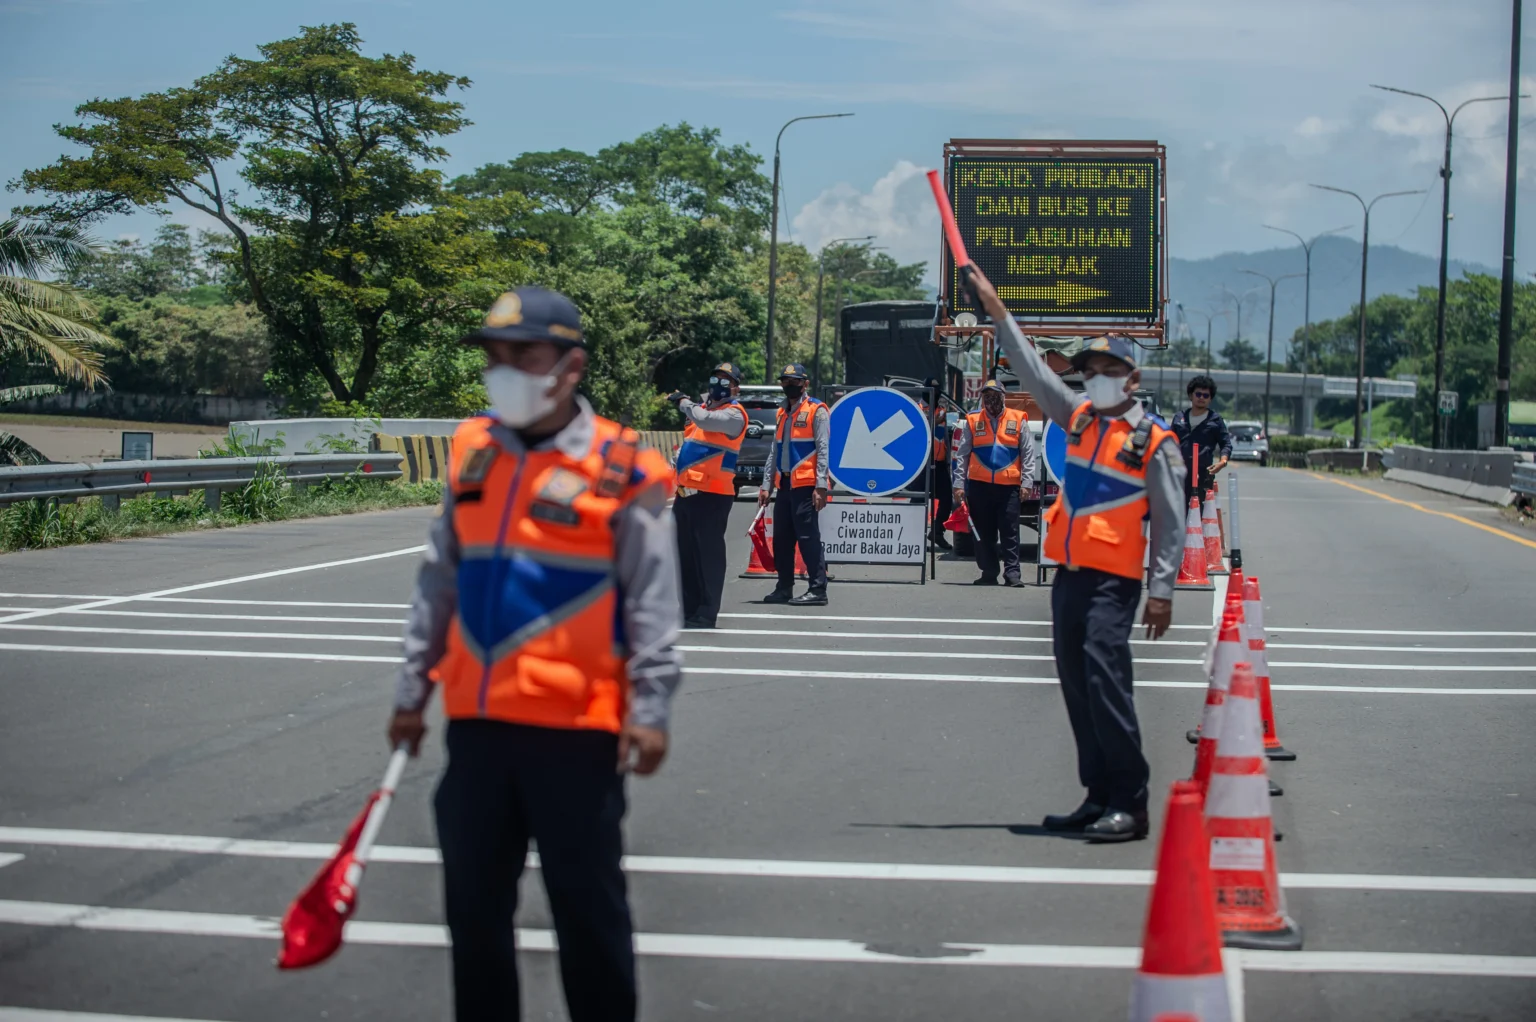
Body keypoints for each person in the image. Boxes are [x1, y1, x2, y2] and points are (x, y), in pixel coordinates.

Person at [387, 287, 682, 1022]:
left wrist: (650, 708)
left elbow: (651, 598)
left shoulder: (622, 465)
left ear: (570, 365)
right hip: (478, 729)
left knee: (589, 914)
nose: (504, 368)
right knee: (474, 916)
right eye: (494, 355)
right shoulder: (473, 450)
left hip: (577, 734)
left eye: (524, 353)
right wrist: (410, 690)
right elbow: (440, 577)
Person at [967, 267, 1185, 843]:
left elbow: (1170, 523)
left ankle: (1130, 803)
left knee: (1105, 680)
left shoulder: (1154, 444)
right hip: (1070, 577)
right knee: (1075, 683)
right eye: (1090, 372)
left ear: (1132, 378)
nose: (1097, 380)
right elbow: (1034, 369)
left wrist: (1161, 592)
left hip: (1115, 582)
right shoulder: (1079, 419)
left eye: (1109, 371)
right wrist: (994, 308)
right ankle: (1097, 794)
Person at [668, 362, 749, 629]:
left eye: (726, 380)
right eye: (715, 378)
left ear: (736, 387)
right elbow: (693, 444)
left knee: (708, 557)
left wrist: (683, 402)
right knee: (685, 556)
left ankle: (706, 611)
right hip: (685, 494)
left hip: (712, 495)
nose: (719, 384)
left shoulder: (734, 415)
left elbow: (705, 421)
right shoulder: (701, 412)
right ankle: (687, 610)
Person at [756, 362, 829, 606]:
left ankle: (818, 589)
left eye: (795, 382)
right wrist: (767, 484)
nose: (789, 386)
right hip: (785, 485)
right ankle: (784, 586)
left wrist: (821, 486)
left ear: (805, 384)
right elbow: (773, 452)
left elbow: (823, 449)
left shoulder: (816, 410)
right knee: (782, 539)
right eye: (785, 382)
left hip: (807, 486)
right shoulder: (781, 412)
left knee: (808, 537)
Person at [951, 379, 1035, 587]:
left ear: (1003, 396)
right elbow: (962, 455)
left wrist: (1027, 483)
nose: (991, 399)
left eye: (995, 395)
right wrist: (959, 484)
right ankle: (988, 572)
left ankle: (1013, 574)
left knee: (1010, 532)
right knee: (983, 533)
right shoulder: (973, 420)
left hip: (1009, 487)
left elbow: (1028, 454)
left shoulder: (1018, 419)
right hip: (979, 486)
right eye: (987, 395)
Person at [1170, 374, 1231, 504]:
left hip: (1203, 475)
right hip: (1179, 474)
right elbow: (1168, 444)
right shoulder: (1178, 418)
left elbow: (1226, 443)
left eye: (1206, 395)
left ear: (1210, 399)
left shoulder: (1215, 420)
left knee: (1200, 515)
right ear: (1191, 395)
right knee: (1178, 514)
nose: (1201, 398)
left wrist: (1222, 462)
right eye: (1198, 394)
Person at [923, 378, 955, 552]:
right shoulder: (919, 409)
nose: (935, 394)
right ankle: (913, 538)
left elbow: (944, 438)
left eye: (937, 390)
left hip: (940, 463)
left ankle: (937, 531)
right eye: (931, 390)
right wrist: (935, 418)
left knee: (947, 499)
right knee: (918, 501)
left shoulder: (941, 409)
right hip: (922, 465)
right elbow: (922, 428)